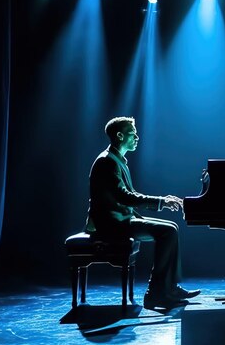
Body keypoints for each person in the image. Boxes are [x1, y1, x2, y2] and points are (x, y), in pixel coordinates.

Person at [84, 116, 199, 310]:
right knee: (168, 231)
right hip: (111, 225)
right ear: (120, 136)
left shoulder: (117, 160)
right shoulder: (107, 162)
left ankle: (169, 287)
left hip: (120, 219)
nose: (137, 137)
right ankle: (155, 293)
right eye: (133, 133)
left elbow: (127, 196)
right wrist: (161, 201)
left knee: (171, 227)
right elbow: (125, 197)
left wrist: (158, 203)